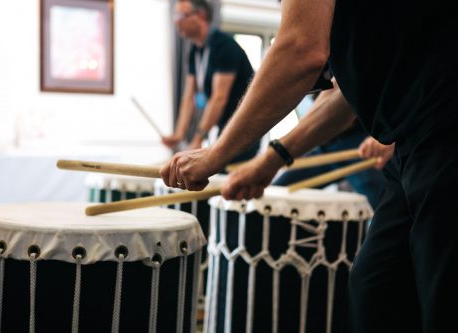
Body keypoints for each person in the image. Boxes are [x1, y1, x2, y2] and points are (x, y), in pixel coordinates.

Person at [160, 0, 458, 331]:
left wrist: (216, 154)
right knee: (375, 290)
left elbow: (300, 49)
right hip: (413, 144)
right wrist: (271, 160)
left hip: (444, 128)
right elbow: (341, 99)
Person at [161, 0, 261, 165]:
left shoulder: (224, 46)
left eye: (181, 15)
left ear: (200, 15)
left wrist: (198, 138)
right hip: (225, 126)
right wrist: (179, 134)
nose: (176, 21)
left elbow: (219, 98)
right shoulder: (195, 51)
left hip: (245, 127)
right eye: (175, 15)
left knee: (220, 175)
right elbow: (188, 97)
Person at [272, 78, 386, 209]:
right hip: (326, 142)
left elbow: (341, 95)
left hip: (361, 141)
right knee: (275, 193)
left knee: (384, 205)